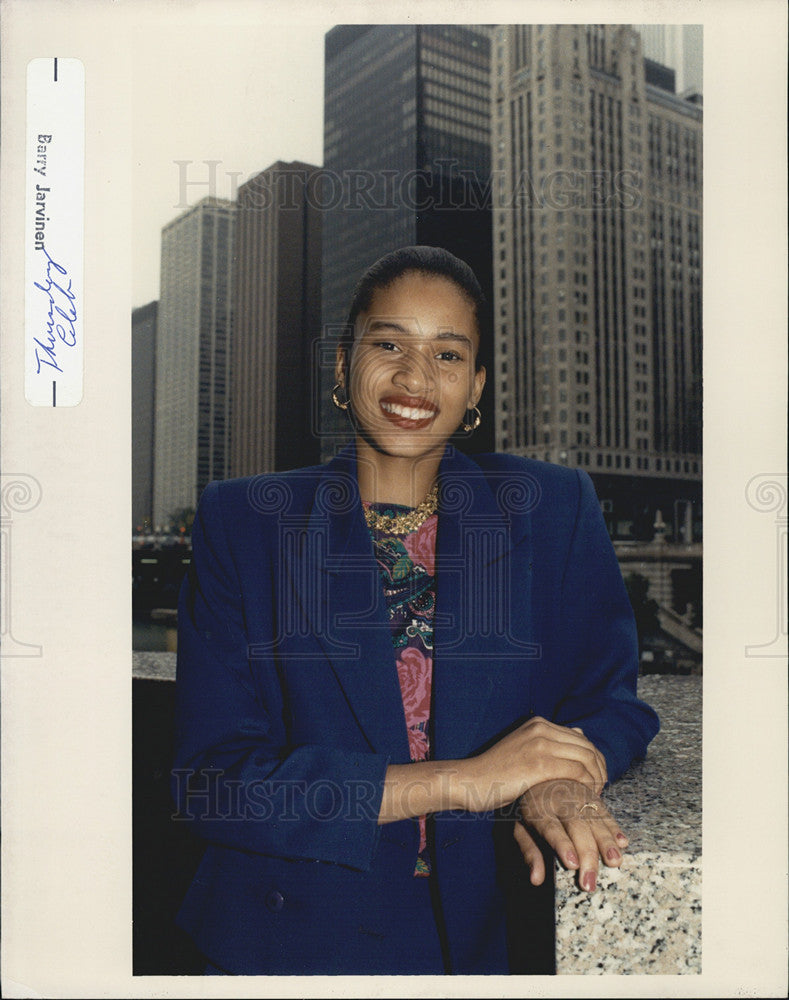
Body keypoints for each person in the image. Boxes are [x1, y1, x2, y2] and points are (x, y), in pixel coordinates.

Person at [172, 245, 660, 975]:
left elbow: (611, 701)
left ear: (476, 389)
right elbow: (213, 782)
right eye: (389, 344)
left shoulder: (552, 507)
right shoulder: (245, 521)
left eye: (448, 354)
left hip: (492, 931)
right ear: (342, 366)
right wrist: (463, 778)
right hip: (288, 937)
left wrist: (559, 777)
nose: (413, 378)